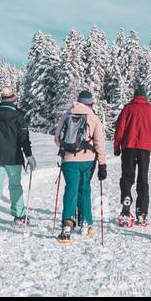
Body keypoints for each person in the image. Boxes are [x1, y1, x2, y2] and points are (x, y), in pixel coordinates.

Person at [53, 90, 108, 243]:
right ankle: (86, 222)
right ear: (90, 103)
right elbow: (99, 144)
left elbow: (57, 139)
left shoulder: (66, 115)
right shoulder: (94, 118)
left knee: (71, 189)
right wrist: (102, 164)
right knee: (84, 189)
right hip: (87, 161)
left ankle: (67, 225)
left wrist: (68, 148)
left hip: (68, 161)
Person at [0, 87, 35, 231]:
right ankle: (19, 217)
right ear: (14, 100)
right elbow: (24, 139)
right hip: (13, 156)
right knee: (15, 186)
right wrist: (29, 155)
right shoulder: (18, 116)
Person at [112, 85, 151, 228]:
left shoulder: (127, 108)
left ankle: (126, 206)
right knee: (143, 180)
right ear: (145, 97)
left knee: (127, 177)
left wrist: (117, 147)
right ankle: (142, 213)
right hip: (144, 148)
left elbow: (120, 128)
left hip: (128, 147)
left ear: (134, 96)